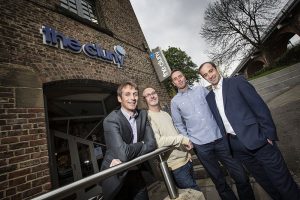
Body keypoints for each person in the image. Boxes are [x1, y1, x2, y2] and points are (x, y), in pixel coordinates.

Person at [198, 61, 300, 200]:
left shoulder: (237, 82)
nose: (210, 76)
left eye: (211, 71)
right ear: (204, 78)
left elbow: (260, 108)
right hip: (238, 148)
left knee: (283, 182)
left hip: (259, 140)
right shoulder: (209, 98)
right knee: (267, 185)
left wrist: (268, 134)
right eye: (205, 75)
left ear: (216, 69)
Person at [170, 69, 255, 200]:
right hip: (201, 146)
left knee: (241, 176)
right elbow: (178, 124)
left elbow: (216, 107)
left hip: (220, 139)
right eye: (175, 79)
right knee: (219, 181)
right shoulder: (174, 102)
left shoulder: (201, 90)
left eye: (180, 76)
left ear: (184, 77)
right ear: (173, 83)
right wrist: (188, 139)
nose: (179, 79)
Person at [100, 81, 157, 200]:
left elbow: (152, 144)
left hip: (136, 171)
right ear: (119, 98)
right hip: (116, 175)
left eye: (135, 94)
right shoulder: (111, 120)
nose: (132, 98)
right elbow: (123, 154)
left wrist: (130, 150)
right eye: (127, 94)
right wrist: (141, 144)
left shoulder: (143, 115)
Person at [142, 87, 200, 191]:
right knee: (194, 192)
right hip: (175, 166)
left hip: (186, 159)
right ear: (144, 100)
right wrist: (182, 139)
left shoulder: (165, 114)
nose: (152, 96)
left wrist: (187, 152)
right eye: (148, 95)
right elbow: (158, 142)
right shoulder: (148, 118)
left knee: (194, 192)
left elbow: (174, 133)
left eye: (153, 92)